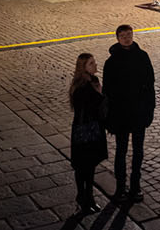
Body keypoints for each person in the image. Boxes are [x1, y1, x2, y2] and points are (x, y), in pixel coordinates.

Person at [103, 24, 155, 203]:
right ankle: (120, 186)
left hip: (139, 112)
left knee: (138, 151)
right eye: (123, 35)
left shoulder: (142, 57)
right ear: (117, 38)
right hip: (121, 114)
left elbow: (150, 85)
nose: (127, 37)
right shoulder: (111, 62)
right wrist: (110, 116)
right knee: (121, 150)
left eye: (129, 34)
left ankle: (135, 185)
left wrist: (150, 110)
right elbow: (107, 92)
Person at [69, 53, 107, 214]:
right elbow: (90, 106)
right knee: (82, 166)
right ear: (83, 67)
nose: (95, 65)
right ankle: (82, 197)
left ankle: (89, 197)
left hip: (94, 128)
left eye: (94, 62)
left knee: (90, 166)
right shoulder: (80, 86)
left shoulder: (94, 81)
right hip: (84, 131)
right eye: (91, 63)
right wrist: (99, 94)